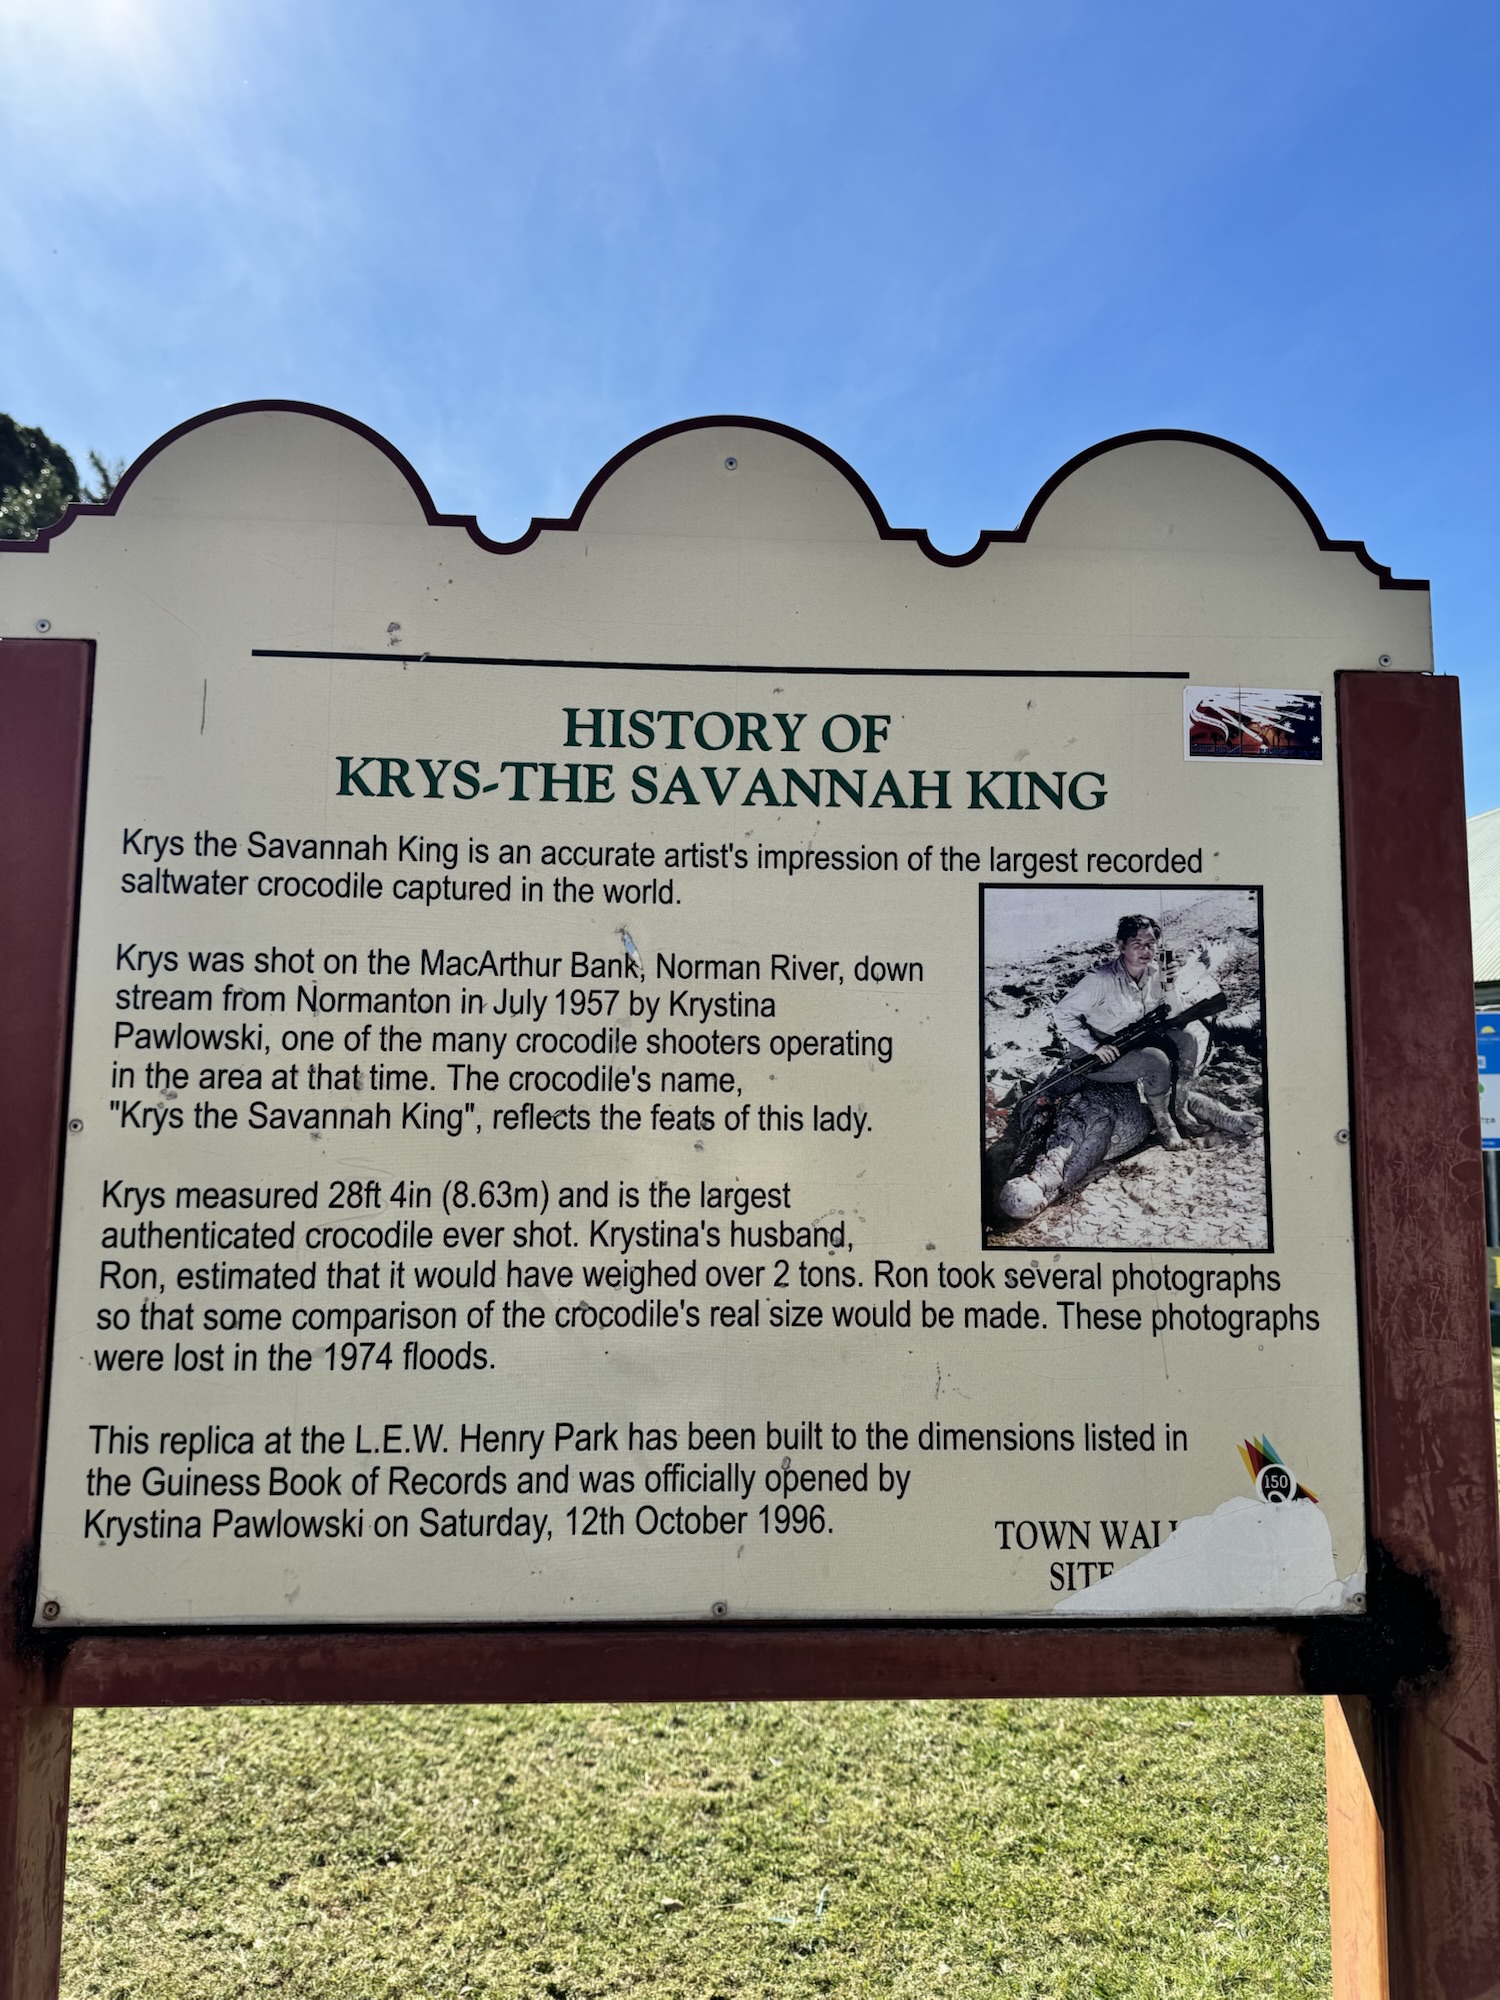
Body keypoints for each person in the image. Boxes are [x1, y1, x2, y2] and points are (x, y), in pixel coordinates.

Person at [1051, 914, 1207, 1150]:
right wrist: (1094, 1046)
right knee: (1156, 1061)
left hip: (1138, 1038)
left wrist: (1170, 985)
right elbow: (1062, 1012)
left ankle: (1180, 1110)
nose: (1146, 950)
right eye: (1137, 944)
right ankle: (1165, 1126)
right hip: (1099, 1054)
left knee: (1188, 1040)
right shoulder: (1100, 980)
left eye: (1151, 944)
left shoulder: (1156, 972)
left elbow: (1176, 1016)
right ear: (1121, 946)